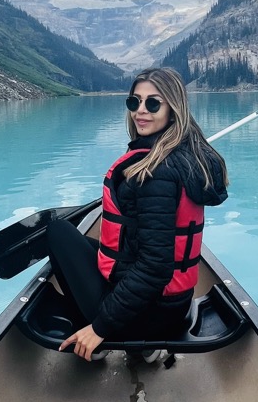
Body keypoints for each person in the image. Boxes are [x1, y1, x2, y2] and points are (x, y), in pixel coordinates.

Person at [48, 67, 229, 362]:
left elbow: (155, 268)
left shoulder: (155, 173)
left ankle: (109, 345)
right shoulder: (185, 156)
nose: (140, 112)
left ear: (173, 108)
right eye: (135, 102)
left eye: (153, 103)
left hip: (149, 315)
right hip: (175, 303)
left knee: (58, 232)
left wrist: (99, 328)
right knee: (88, 246)